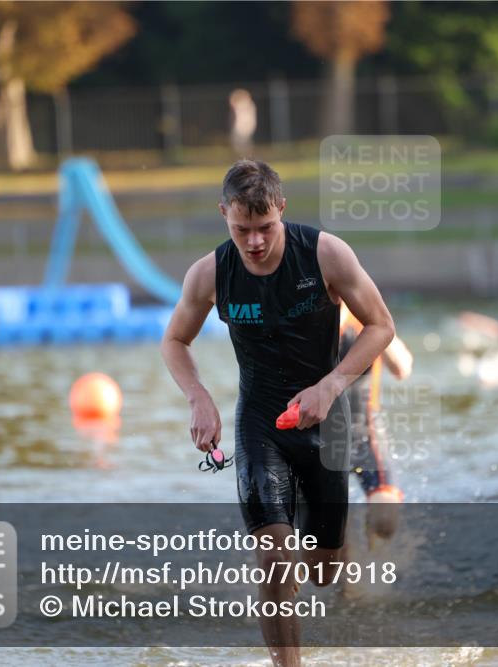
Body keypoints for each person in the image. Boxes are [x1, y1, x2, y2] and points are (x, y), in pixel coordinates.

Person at [160, 159, 395, 667]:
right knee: (273, 556)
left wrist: (331, 384)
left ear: (282, 210)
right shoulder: (210, 273)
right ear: (223, 213)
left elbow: (380, 326)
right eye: (241, 229)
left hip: (325, 420)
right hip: (261, 425)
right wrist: (198, 396)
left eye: (265, 228)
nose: (255, 242)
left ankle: (330, 535)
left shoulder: (325, 253)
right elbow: (175, 339)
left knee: (324, 571)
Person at [339, 303, 413, 547]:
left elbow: (402, 368)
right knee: (334, 536)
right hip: (318, 439)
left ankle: (372, 546)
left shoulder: (364, 318)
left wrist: (382, 332)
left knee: (385, 522)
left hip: (365, 432)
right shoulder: (300, 321)